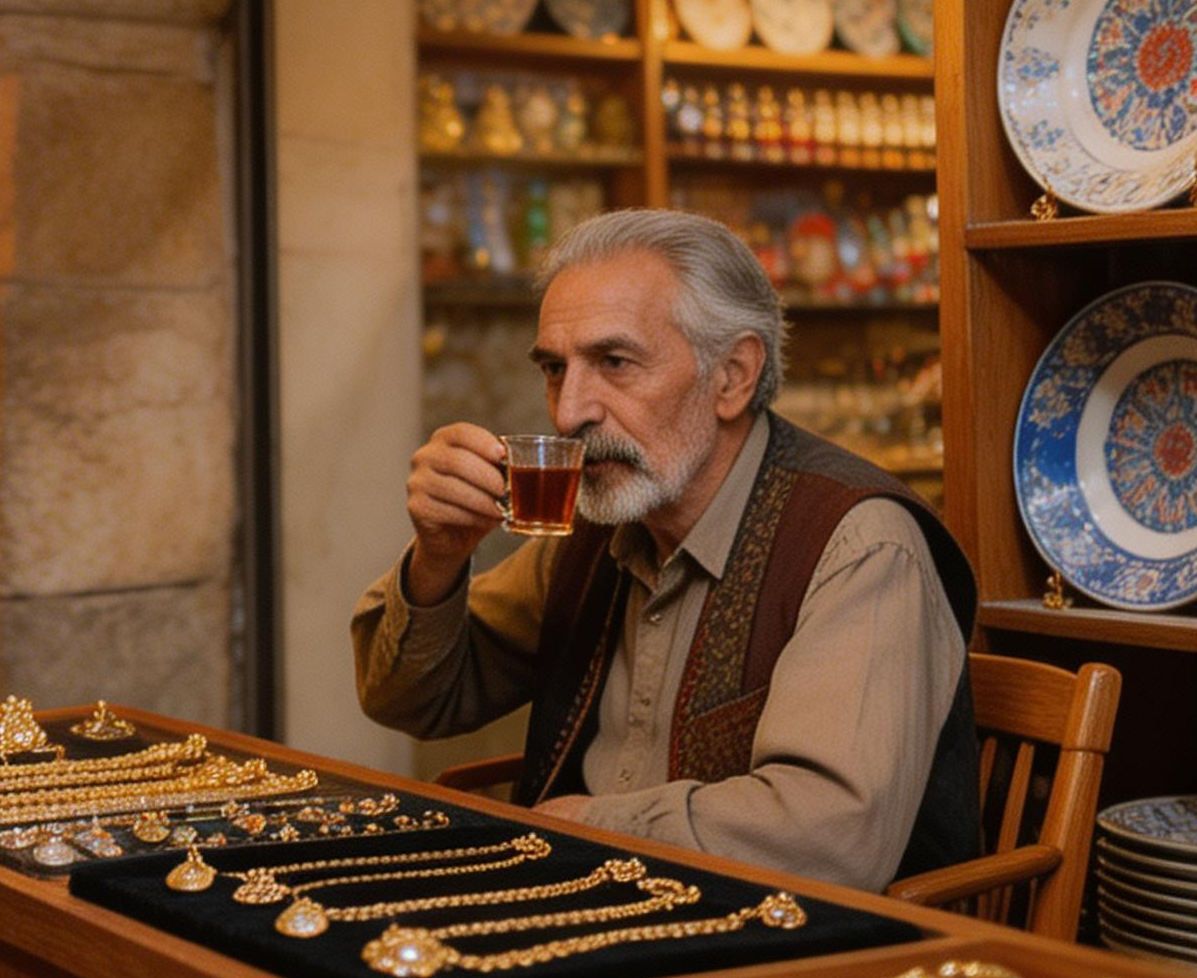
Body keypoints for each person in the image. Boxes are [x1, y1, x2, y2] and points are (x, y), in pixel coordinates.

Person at [352, 209, 977, 892]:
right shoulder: (599, 524)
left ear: (733, 376)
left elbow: (830, 836)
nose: (569, 412)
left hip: (787, 958)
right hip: (591, 906)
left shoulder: (856, 543)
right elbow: (412, 702)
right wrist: (439, 558)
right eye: (556, 370)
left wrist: (589, 829)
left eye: (614, 363)